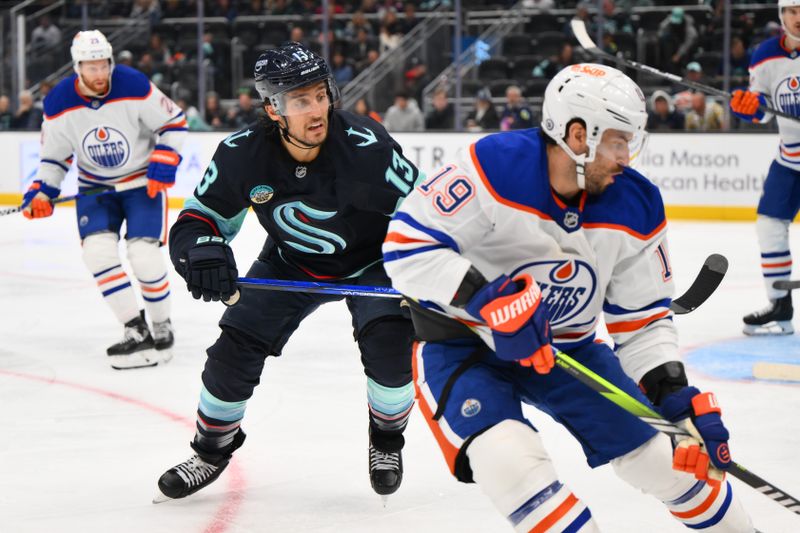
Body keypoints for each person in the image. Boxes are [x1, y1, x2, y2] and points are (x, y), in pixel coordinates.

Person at [383, 63, 753, 532]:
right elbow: (406, 247)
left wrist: (672, 391)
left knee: (670, 462)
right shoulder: (493, 167)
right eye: (618, 142)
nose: (626, 157)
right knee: (512, 464)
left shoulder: (636, 203)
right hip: (463, 348)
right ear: (579, 135)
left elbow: (642, 322)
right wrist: (483, 299)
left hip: (568, 352)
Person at [154, 42, 420, 502]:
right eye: (301, 100)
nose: (317, 110)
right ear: (273, 108)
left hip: (373, 264)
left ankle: (386, 439)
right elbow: (199, 219)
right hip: (290, 262)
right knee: (232, 354)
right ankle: (211, 450)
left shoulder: (369, 148)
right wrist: (201, 252)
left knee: (391, 355)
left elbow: (428, 216)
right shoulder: (242, 155)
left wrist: (431, 275)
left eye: (321, 94)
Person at [20, 30, 185, 369]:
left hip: (141, 186)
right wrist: (42, 192)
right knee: (97, 253)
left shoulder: (133, 85)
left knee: (143, 256)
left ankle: (161, 323)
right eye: (91, 68)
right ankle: (134, 328)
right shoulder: (58, 103)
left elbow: (173, 121)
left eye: (103, 66)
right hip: (95, 189)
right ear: (78, 67)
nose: (99, 75)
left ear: (110, 62)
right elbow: (54, 159)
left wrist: (164, 159)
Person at [730, 0, 800, 335]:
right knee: (769, 224)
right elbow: (765, 109)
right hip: (789, 160)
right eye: (791, 11)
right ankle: (779, 305)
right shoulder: (764, 54)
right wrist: (751, 108)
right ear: (781, 14)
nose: (797, 18)